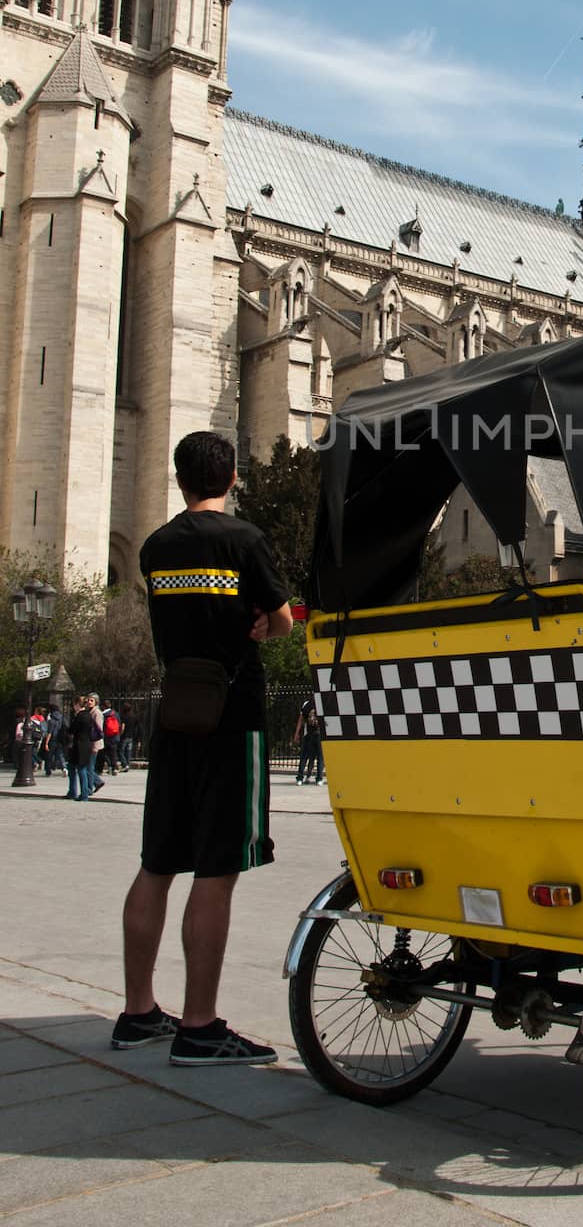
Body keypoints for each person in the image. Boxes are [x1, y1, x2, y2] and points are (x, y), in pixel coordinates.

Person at [113, 431, 292, 1065]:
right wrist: (261, 621)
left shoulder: (157, 547)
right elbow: (283, 621)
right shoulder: (243, 540)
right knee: (216, 872)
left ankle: (137, 1013)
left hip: (175, 712)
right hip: (232, 714)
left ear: (180, 478)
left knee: (156, 864)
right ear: (234, 476)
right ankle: (199, 1025)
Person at [66, 696, 98, 801]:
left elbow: (72, 730)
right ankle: (80, 792)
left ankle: (79, 793)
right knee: (81, 768)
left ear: (77, 705)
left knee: (79, 769)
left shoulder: (80, 716)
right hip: (87, 744)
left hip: (79, 745)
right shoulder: (89, 715)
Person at [293, 694, 324, 785]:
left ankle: (302, 777)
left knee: (306, 757)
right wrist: (297, 733)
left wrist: (297, 733)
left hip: (312, 734)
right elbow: (301, 719)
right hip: (314, 734)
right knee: (317, 757)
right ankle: (318, 778)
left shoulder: (308, 704)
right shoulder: (319, 704)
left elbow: (301, 719)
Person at [118, 702, 139, 771]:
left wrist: (120, 734)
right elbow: (137, 726)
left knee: (121, 751)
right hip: (131, 736)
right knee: (128, 751)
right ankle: (127, 764)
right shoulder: (134, 716)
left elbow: (123, 727)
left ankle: (125, 764)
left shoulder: (124, 716)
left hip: (124, 736)